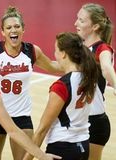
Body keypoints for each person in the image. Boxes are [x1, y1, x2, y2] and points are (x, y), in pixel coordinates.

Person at [0, 6, 62, 160]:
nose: (13, 30)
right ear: (3, 32)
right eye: (9, 27)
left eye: (17, 26)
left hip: (21, 115)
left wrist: (78, 65)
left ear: (23, 29)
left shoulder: (32, 51)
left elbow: (53, 67)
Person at [24, 32, 99, 160]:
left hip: (62, 147)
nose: (55, 55)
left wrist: (27, 158)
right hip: (84, 145)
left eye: (56, 50)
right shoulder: (90, 77)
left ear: (64, 53)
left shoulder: (62, 86)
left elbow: (42, 129)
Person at [74, 3, 116, 160]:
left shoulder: (102, 49)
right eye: (77, 18)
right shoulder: (78, 46)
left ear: (95, 26)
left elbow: (106, 67)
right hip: (76, 119)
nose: (75, 23)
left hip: (94, 122)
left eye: (81, 20)